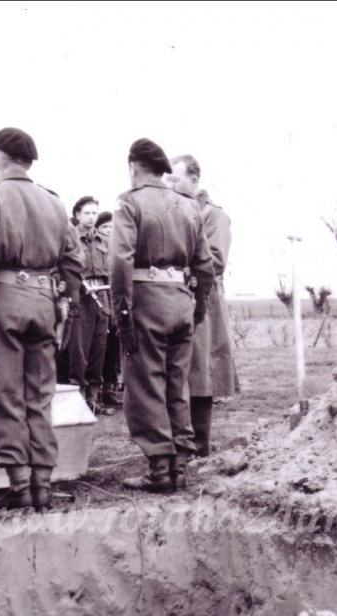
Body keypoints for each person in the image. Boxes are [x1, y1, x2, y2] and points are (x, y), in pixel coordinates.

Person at [0, 127, 83, 511]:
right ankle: (43, 484)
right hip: (43, 301)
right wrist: (67, 304)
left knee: (4, 392)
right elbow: (72, 261)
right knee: (40, 393)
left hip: (3, 300)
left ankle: (19, 486)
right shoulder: (53, 202)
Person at [111, 138, 214, 493]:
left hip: (146, 301)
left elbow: (120, 261)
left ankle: (159, 469)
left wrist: (122, 314)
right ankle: (180, 465)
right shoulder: (188, 206)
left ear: (133, 166)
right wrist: (197, 308)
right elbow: (206, 267)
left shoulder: (130, 201)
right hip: (180, 302)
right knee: (176, 383)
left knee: (144, 385)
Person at [164, 154, 237, 457]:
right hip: (173, 298)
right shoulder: (173, 210)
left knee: (200, 370)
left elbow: (216, 259)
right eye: (167, 180)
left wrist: (178, 270)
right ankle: (179, 442)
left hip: (202, 299)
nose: (169, 185)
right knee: (178, 369)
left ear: (194, 180)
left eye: (175, 179)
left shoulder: (212, 215)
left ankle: (199, 445)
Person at [67, 196, 114, 415]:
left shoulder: (105, 241)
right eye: (87, 213)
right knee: (79, 351)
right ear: (77, 215)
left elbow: (113, 272)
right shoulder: (69, 239)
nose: (92, 217)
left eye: (95, 213)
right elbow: (59, 267)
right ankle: (77, 400)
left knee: (99, 349)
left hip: (102, 298)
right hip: (81, 298)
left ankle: (93, 400)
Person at [96, 211, 124, 408]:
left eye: (111, 227)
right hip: (99, 297)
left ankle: (110, 387)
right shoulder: (96, 246)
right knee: (100, 348)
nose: (109, 231)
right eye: (105, 227)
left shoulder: (118, 246)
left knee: (114, 347)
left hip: (114, 299)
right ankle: (98, 389)